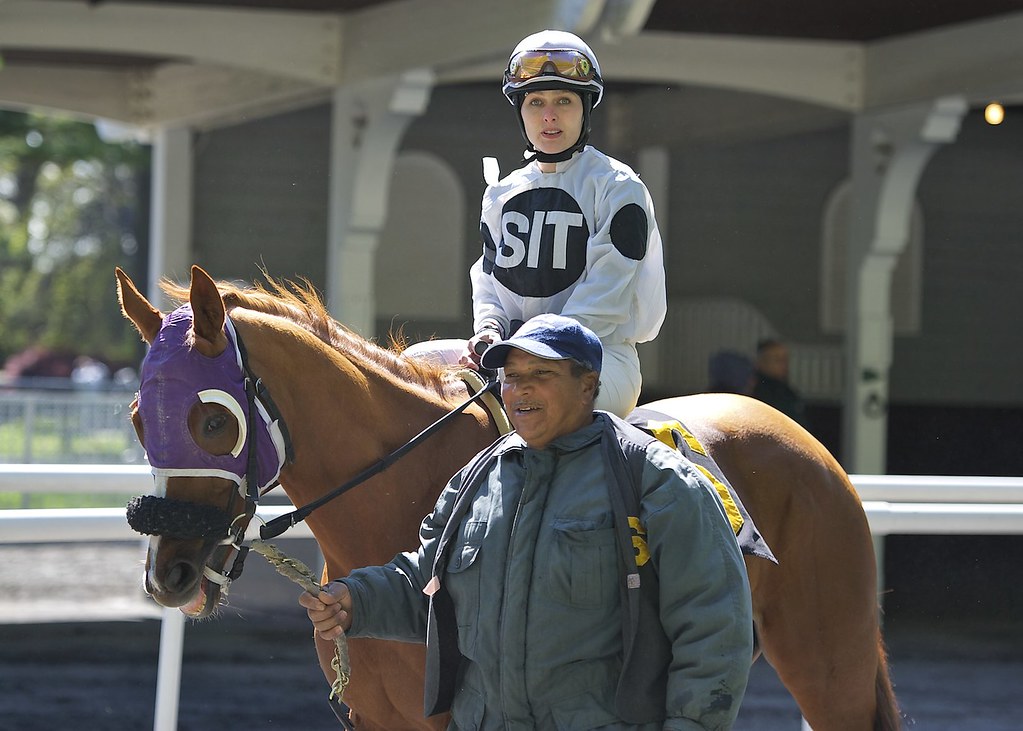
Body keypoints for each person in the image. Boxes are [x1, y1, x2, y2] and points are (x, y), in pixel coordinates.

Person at [301, 314, 753, 730]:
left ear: (588, 384)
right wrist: (354, 601)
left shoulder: (656, 482)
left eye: (542, 375)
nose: (522, 390)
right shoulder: (476, 480)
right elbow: (428, 584)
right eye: (512, 378)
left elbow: (714, 629)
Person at [405, 29, 666, 419]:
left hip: (595, 360)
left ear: (585, 109)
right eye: (535, 102)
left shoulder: (618, 186)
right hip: (510, 354)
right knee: (407, 367)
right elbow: (489, 283)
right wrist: (489, 332)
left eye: (564, 100)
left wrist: (531, 350)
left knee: (535, 397)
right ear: (520, 112)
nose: (549, 115)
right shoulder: (502, 193)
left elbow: (605, 297)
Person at [752, 337, 807, 426]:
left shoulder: (787, 391)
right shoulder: (759, 393)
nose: (784, 364)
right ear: (762, 362)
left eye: (785, 359)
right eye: (777, 360)